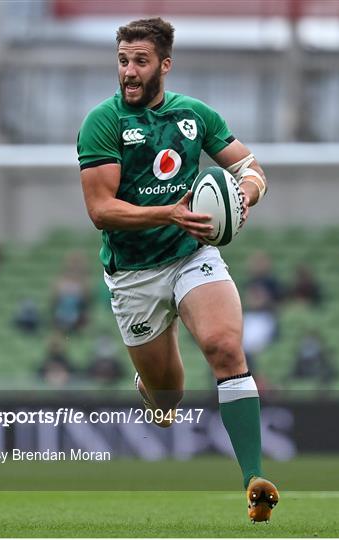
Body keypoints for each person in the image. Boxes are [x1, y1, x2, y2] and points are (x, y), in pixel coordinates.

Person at [78, 18, 278, 522]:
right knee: (167, 400)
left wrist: (244, 195)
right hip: (133, 274)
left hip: (192, 253)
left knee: (225, 347)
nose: (129, 71)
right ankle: (152, 393)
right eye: (123, 60)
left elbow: (251, 168)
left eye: (140, 60)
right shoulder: (102, 122)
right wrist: (167, 212)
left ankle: (253, 478)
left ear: (164, 64)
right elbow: (101, 210)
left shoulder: (195, 114)